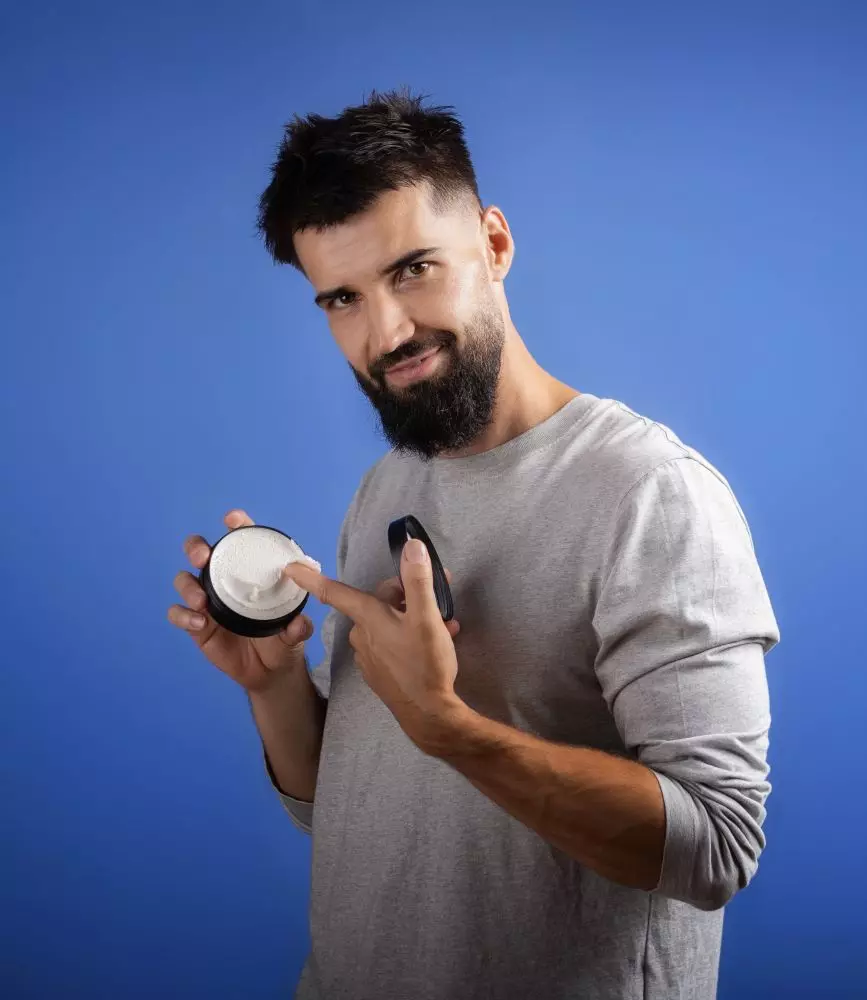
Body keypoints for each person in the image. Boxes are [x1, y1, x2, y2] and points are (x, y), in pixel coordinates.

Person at [168, 89, 780, 1000]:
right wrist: (276, 687)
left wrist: (451, 730)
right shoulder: (387, 485)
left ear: (493, 244)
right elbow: (354, 813)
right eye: (343, 298)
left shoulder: (651, 495)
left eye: (413, 269)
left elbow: (717, 848)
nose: (387, 332)